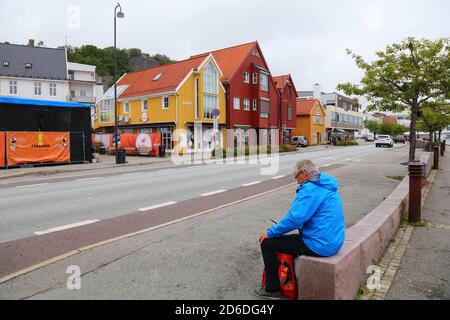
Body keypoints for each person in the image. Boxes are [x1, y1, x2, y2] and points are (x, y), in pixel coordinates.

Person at [253, 160, 345, 299]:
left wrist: (270, 232)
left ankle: (272, 290)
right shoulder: (325, 184)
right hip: (333, 241)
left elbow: (295, 219)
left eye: (296, 176)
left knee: (267, 243)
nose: (296, 180)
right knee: (286, 240)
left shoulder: (310, 188)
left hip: (319, 244)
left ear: (304, 172)